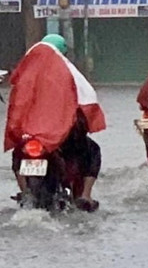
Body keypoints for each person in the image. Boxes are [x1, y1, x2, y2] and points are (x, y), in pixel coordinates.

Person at [4, 34, 107, 212]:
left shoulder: (26, 72)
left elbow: (16, 105)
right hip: (60, 137)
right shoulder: (68, 72)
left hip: (32, 137)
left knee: (17, 154)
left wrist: (16, 132)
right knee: (93, 150)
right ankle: (85, 195)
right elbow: (85, 99)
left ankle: (25, 191)